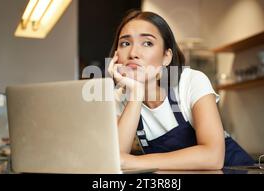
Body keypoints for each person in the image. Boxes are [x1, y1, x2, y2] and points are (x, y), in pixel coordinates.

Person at [107, 10, 254, 170]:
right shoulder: (121, 96)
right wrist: (135, 94)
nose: (133, 53)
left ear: (166, 57)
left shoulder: (191, 81)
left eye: (147, 43)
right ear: (116, 56)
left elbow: (213, 156)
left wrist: (135, 162)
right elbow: (116, 159)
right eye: (125, 43)